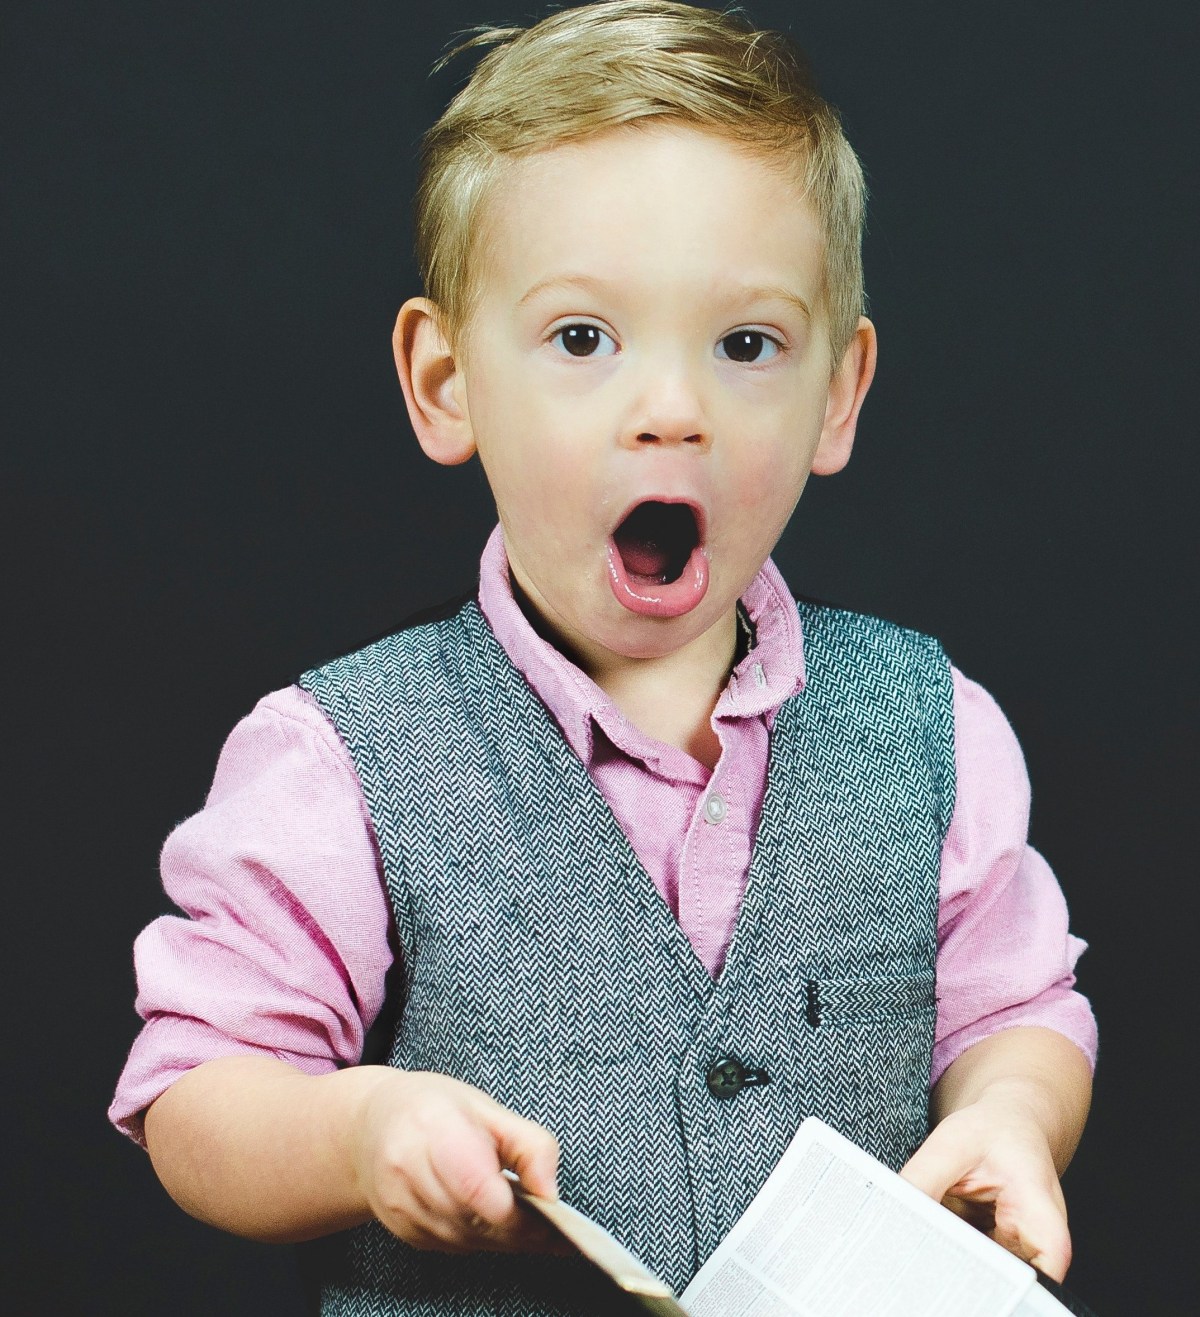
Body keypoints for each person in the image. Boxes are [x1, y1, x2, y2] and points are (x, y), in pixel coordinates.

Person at [109, 3, 1097, 1313]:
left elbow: (1015, 1010)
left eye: (747, 345)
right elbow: (196, 1088)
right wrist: (358, 1131)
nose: (672, 410)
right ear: (447, 380)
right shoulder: (341, 761)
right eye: (584, 338)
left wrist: (1016, 1113)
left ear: (837, 396)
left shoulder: (935, 731)